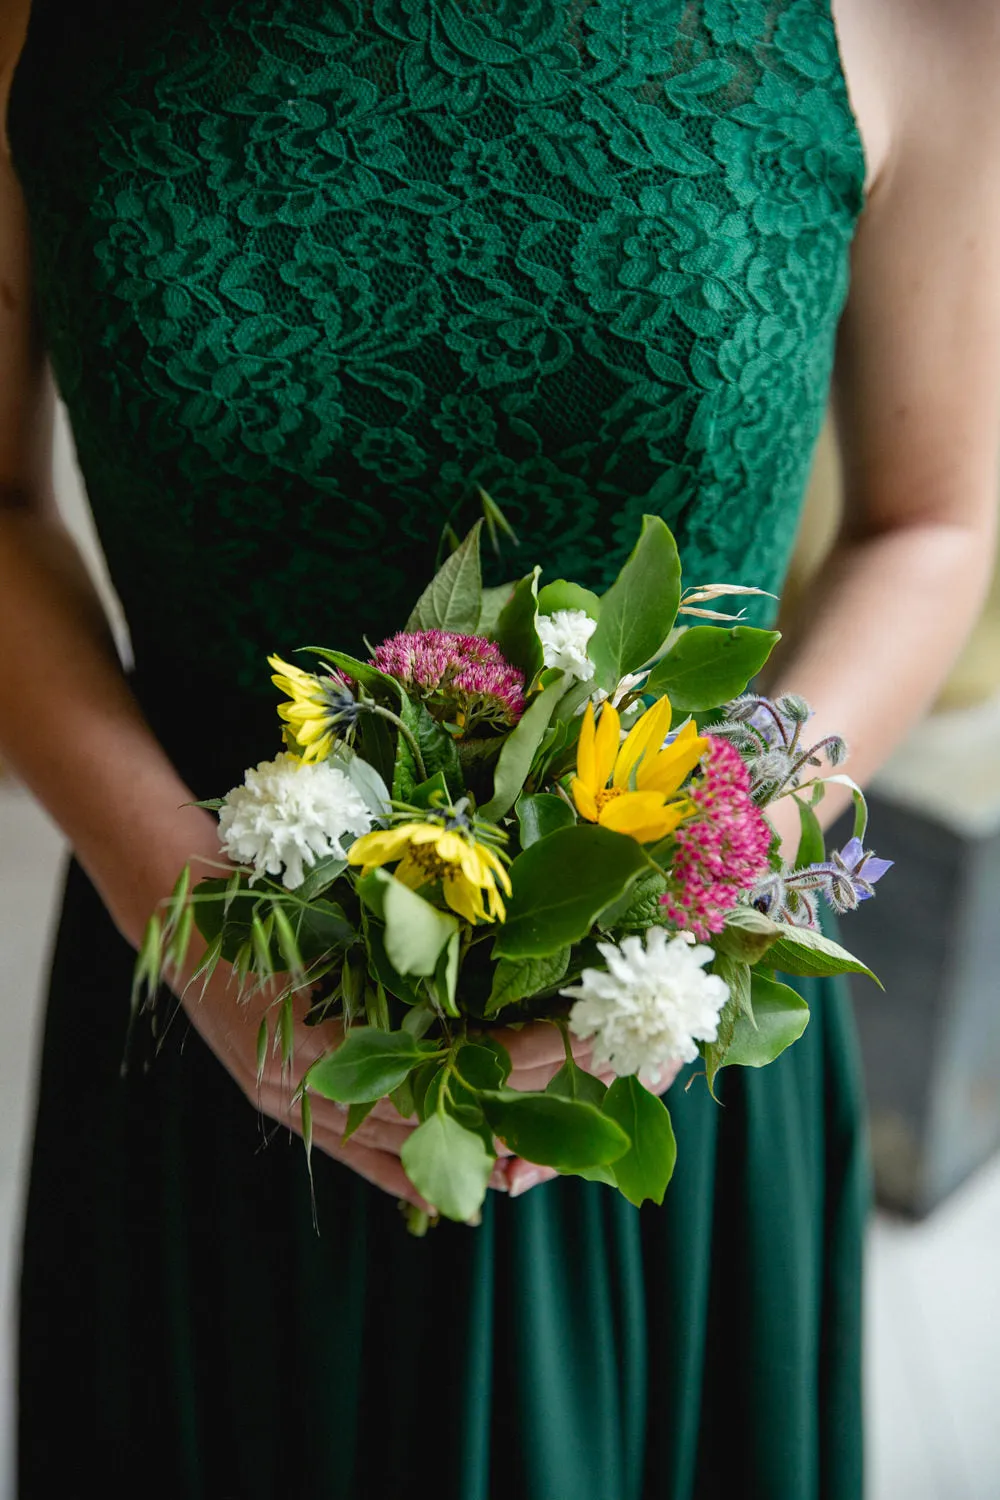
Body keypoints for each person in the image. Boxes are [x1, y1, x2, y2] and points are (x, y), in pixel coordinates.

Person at [3, 0, 999, 1494]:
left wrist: (709, 891)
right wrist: (188, 916)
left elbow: (930, 526)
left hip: (668, 1042)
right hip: (206, 996)